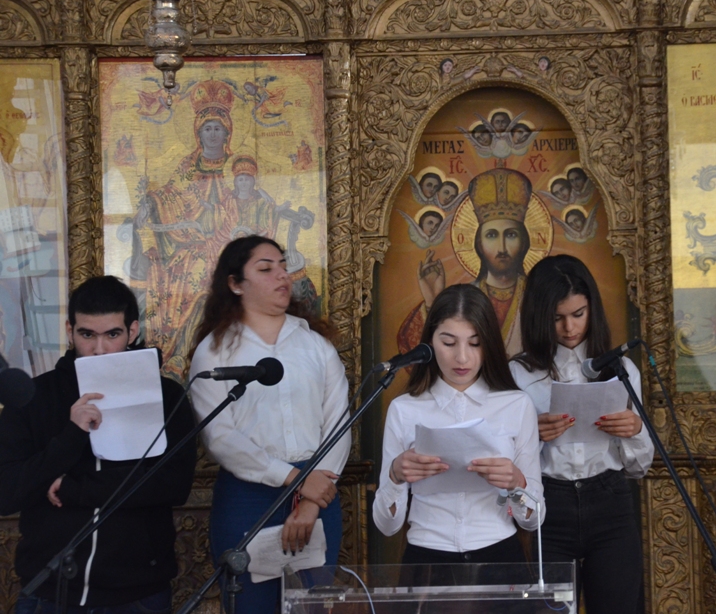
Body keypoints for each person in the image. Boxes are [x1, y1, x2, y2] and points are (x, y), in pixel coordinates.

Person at [0, 276, 196, 613]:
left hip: (137, 593)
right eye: (87, 335)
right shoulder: (35, 397)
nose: (99, 349)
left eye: (112, 334)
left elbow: (172, 485)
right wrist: (71, 435)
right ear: (70, 330)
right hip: (49, 590)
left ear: (132, 331)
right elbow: (6, 493)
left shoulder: (167, 396)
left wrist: (74, 489)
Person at [188, 235, 349, 614]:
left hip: (318, 490)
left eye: (282, 266)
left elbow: (339, 424)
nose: (281, 275)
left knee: (311, 607)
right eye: (265, 268)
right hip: (248, 496)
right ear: (235, 283)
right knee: (250, 605)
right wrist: (294, 479)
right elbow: (220, 437)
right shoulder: (215, 351)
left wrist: (311, 499)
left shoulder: (315, 346)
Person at [511, 255, 654, 613]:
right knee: (550, 609)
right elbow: (504, 463)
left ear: (593, 309)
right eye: (557, 318)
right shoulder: (519, 374)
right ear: (538, 316)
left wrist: (635, 430)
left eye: (578, 314)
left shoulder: (621, 370)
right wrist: (532, 435)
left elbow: (639, 468)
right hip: (549, 505)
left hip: (610, 502)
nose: (569, 327)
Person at [373, 283, 543, 570]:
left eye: (475, 343)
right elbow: (387, 526)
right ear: (429, 343)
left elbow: (533, 519)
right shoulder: (405, 409)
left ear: (489, 344)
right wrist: (394, 475)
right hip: (426, 557)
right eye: (449, 343)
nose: (462, 357)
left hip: (499, 555)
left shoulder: (516, 405)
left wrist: (518, 482)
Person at [133, 79, 241, 376]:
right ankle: (181, 353)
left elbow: (246, 202)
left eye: (218, 128)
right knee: (187, 270)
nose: (213, 134)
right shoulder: (188, 166)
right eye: (207, 128)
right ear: (198, 133)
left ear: (227, 132)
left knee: (204, 270)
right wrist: (150, 201)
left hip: (229, 243)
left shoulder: (237, 166)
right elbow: (170, 194)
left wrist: (219, 216)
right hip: (191, 242)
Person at [398, 168, 534, 357]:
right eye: (492, 235)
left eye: (511, 235)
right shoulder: (465, 299)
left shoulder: (537, 297)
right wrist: (432, 304)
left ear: (524, 242)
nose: (502, 248)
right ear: (479, 243)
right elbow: (412, 350)